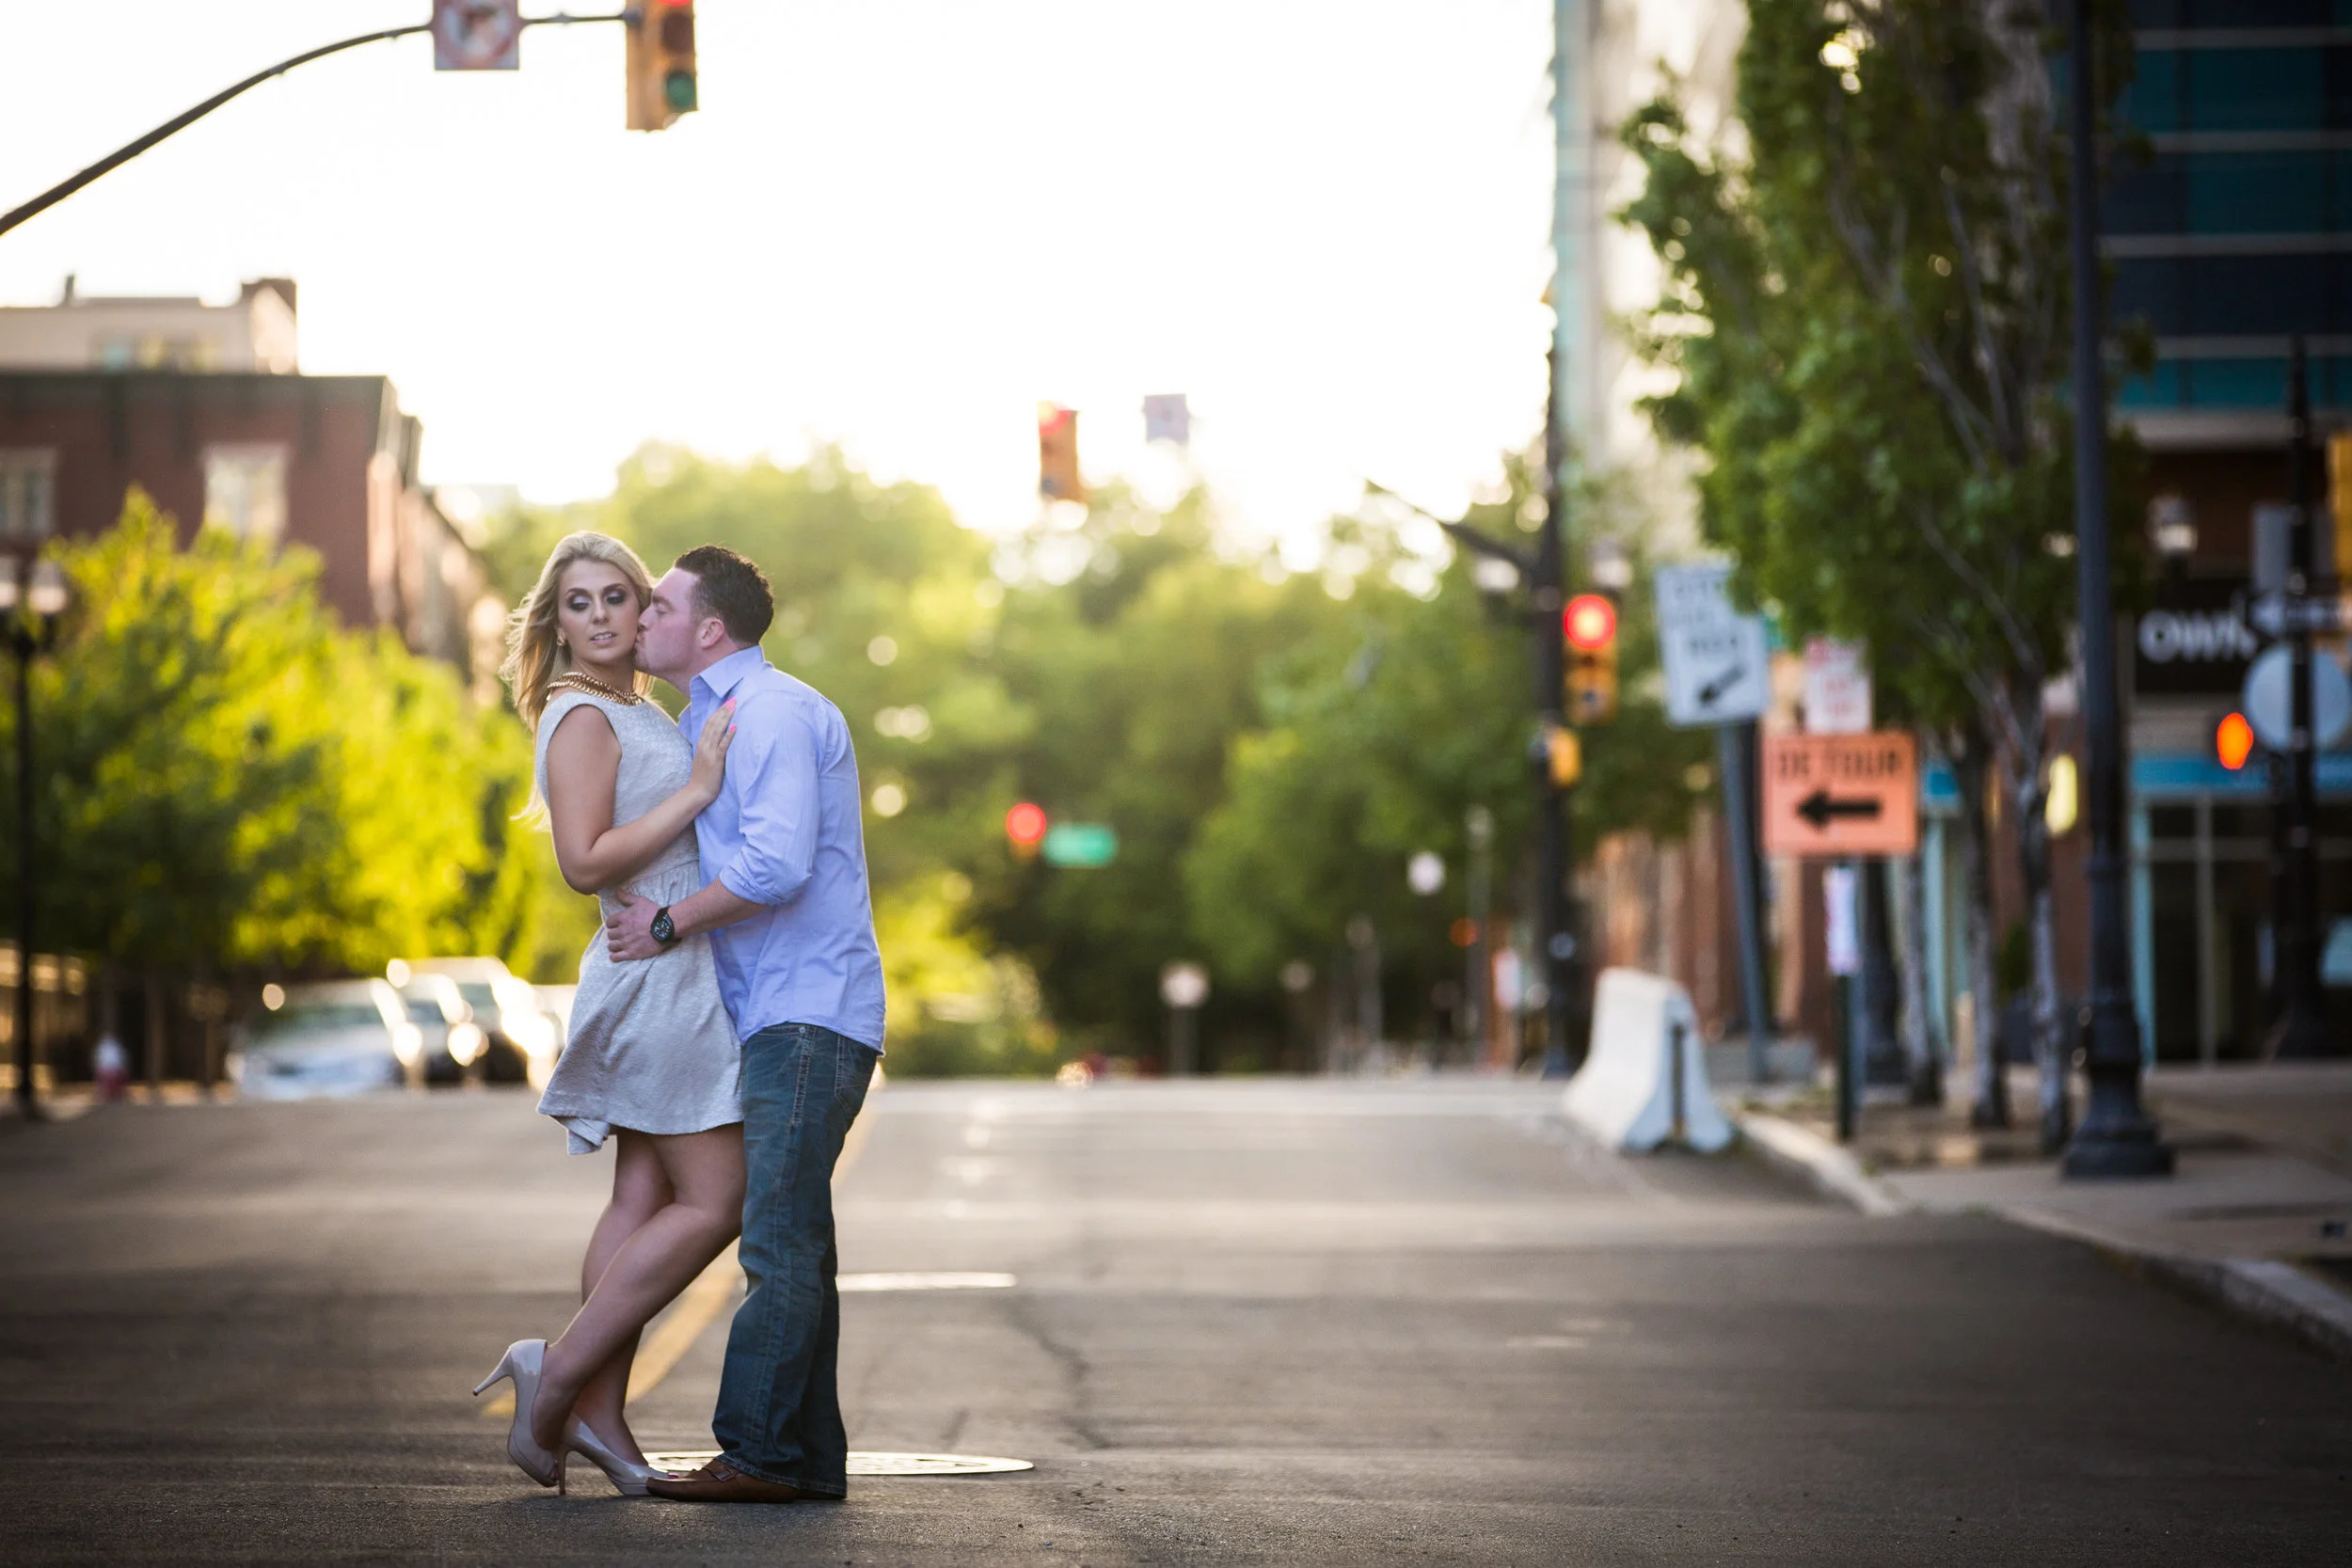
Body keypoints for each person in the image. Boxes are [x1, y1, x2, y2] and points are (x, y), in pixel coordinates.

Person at [604, 545, 887, 1505]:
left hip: (807, 1012)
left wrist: (666, 923)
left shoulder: (768, 713)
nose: (641, 616)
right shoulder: (713, 718)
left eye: (659, 605)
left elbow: (775, 865)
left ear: (708, 629)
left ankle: (758, 1451)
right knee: (797, 1237)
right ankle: (806, 1457)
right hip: (783, 1011)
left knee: (776, 1240)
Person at [473, 531, 745, 1497]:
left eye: (615, 596)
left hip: (672, 958)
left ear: (644, 611)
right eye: (577, 602)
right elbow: (584, 860)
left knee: (639, 1200)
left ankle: (597, 1411)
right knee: (719, 1198)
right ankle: (559, 1374)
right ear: (558, 624)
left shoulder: (636, 707)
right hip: (655, 970)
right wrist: (703, 790)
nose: (597, 615)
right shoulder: (582, 714)